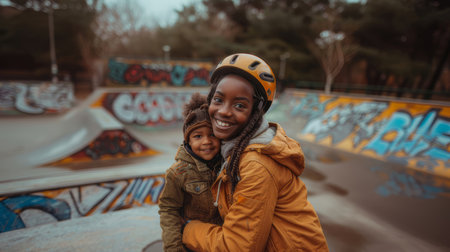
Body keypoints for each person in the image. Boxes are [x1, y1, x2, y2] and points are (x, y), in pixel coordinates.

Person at [181, 53, 329, 251]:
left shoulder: (256, 165)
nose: (224, 111)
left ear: (255, 112)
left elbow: (238, 247)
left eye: (239, 105)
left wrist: (187, 229)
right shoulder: (232, 149)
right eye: (218, 99)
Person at [159, 93, 223, 252]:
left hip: (220, 240)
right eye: (198, 136)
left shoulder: (227, 164)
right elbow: (169, 210)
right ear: (188, 141)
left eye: (212, 134)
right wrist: (174, 247)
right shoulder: (178, 173)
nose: (206, 141)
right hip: (193, 243)